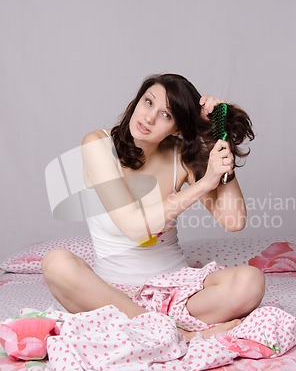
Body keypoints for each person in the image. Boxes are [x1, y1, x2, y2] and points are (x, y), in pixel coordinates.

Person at [42, 73, 265, 339]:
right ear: (137, 101)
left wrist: (217, 137)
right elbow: (133, 227)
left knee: (250, 282)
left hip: (175, 291)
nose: (149, 118)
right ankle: (179, 333)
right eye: (148, 102)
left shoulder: (180, 155)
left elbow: (233, 221)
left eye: (166, 115)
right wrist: (204, 184)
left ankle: (148, 327)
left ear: (178, 127)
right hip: (109, 294)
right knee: (56, 263)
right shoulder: (98, 144)